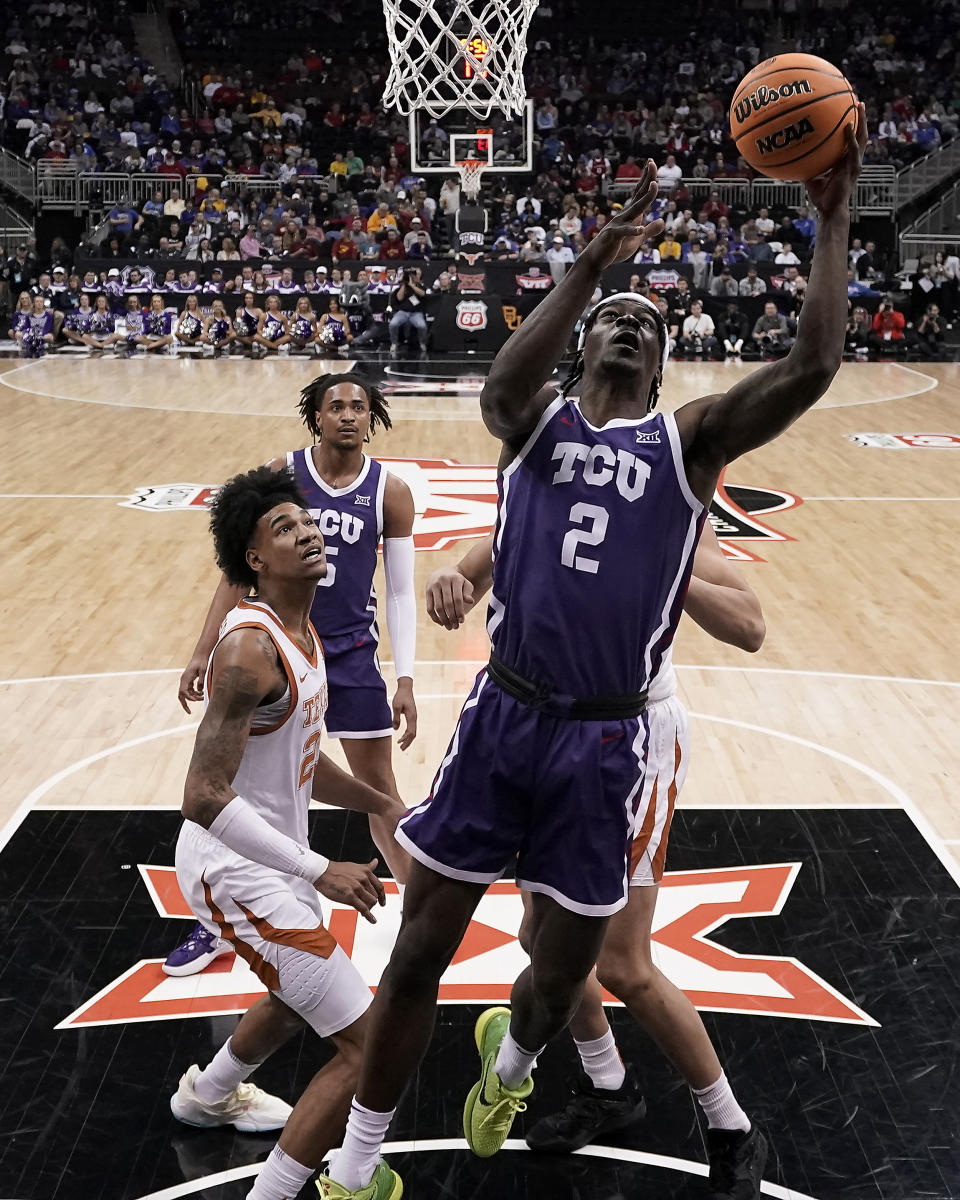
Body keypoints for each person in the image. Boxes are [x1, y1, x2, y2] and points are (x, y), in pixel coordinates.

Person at [319, 112, 865, 1200]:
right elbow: (497, 395)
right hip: (503, 720)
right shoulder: (538, 427)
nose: (628, 330)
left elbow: (813, 362)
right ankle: (355, 1163)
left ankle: (513, 1068)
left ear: (664, 363)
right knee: (421, 949)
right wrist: (585, 271)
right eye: (612, 321)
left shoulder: (689, 443)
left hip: (608, 744)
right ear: (583, 340)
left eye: (645, 326)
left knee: (560, 974)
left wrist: (835, 216)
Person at [423, 518, 764, 1164]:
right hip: (543, 735)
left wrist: (665, 566)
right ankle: (607, 1082)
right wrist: (448, 583)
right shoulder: (542, 487)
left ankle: (733, 1129)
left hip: (632, 741)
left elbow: (749, 627)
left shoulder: (674, 512)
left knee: (622, 964)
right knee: (539, 941)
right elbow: (464, 582)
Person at [169, 465, 403, 1200]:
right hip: (229, 867)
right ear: (254, 562)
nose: (307, 530)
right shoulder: (248, 653)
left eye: (305, 521)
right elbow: (202, 797)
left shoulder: (304, 632)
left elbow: (304, 760)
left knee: (299, 995)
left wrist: (384, 804)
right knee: (369, 1052)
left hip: (268, 862)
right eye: (283, 528)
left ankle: (207, 1095)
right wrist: (316, 867)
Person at [170, 375, 417, 975]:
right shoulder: (283, 476)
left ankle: (425, 907)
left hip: (349, 656)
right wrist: (205, 646)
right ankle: (216, 920)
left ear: (373, 416)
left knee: (379, 790)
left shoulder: (390, 489)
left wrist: (404, 676)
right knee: (241, 782)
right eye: (336, 406)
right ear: (316, 417)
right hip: (275, 650)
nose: (349, 416)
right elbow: (235, 568)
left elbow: (402, 593)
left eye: (360, 406)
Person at [388, 268, 427, 356]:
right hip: (403, 312)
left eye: (414, 275)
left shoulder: (420, 286)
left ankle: (422, 343)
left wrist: (412, 285)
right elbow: (399, 298)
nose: (412, 277)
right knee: (392, 324)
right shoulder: (402, 287)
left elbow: (423, 294)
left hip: (416, 313)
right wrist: (404, 284)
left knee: (422, 326)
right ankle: (394, 343)